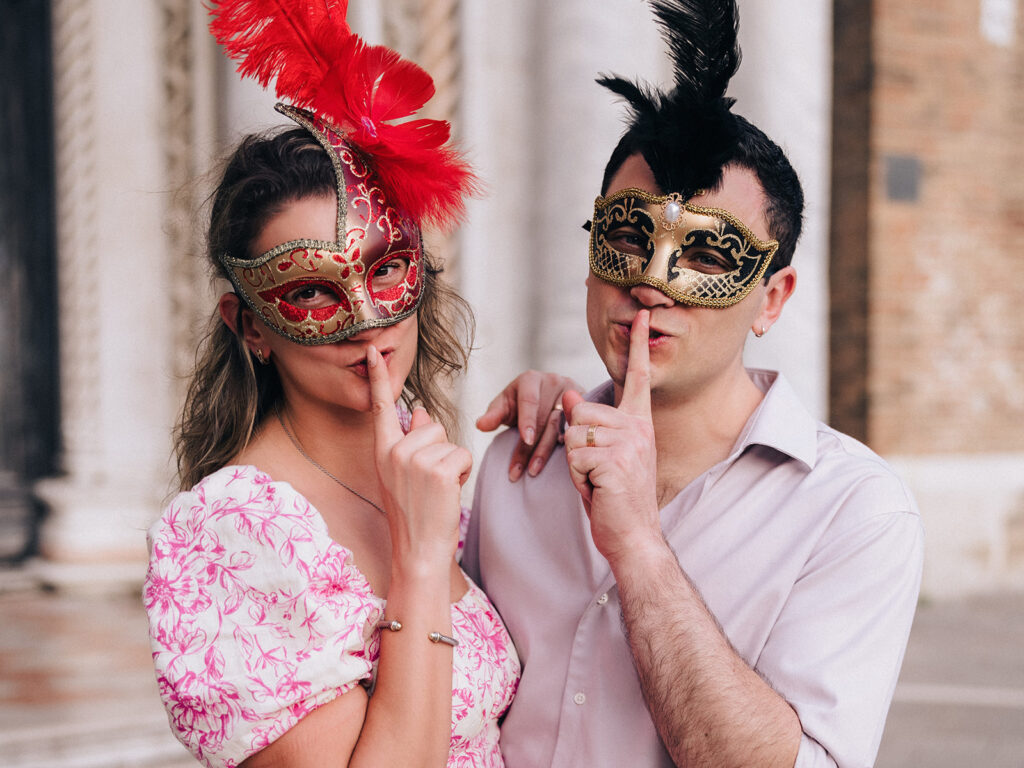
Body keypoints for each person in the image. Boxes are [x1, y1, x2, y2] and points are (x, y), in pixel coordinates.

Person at [464, 2, 924, 767]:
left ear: (771, 300)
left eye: (707, 257)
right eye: (625, 238)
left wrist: (640, 545)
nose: (650, 286)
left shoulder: (854, 513)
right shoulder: (522, 459)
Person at [143, 3, 545, 766]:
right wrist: (421, 562)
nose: (365, 321)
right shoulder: (229, 532)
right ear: (249, 324)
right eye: (314, 291)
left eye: (386, 269)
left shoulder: (412, 455)